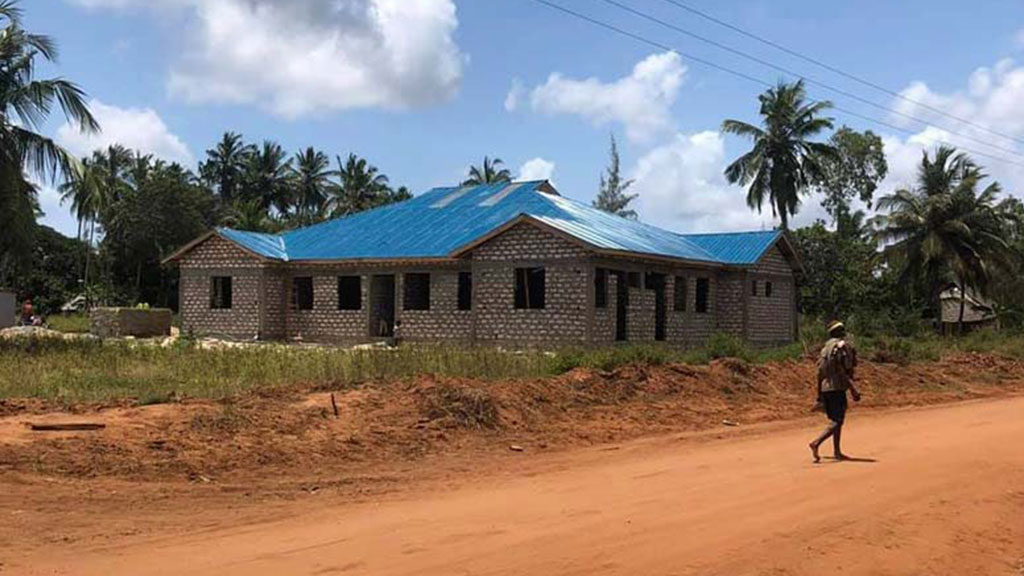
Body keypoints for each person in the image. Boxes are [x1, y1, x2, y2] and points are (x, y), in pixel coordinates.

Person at [809, 320, 861, 462]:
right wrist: (853, 389)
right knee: (838, 421)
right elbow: (842, 370)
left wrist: (819, 394)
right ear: (838, 332)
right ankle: (816, 442)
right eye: (842, 330)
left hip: (826, 387)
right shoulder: (841, 347)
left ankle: (837, 451)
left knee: (836, 419)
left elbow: (819, 373)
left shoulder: (825, 349)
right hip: (837, 387)